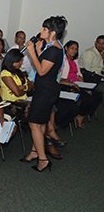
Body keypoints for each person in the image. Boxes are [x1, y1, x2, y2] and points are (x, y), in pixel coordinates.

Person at [22, 16, 67, 172]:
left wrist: (32, 51)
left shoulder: (55, 50)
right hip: (45, 89)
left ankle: (43, 159)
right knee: (40, 122)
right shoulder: (52, 47)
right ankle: (35, 152)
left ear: (52, 33)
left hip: (46, 91)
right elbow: (43, 64)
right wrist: (39, 51)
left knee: (34, 123)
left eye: (44, 29)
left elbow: (41, 71)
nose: (41, 31)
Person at [60, 40, 102, 125]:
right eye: (72, 48)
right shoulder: (62, 60)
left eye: (76, 49)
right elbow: (61, 78)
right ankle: (80, 115)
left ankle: (82, 114)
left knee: (97, 95)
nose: (74, 51)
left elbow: (79, 74)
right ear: (66, 48)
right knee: (87, 98)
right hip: (66, 85)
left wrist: (81, 80)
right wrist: (72, 82)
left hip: (77, 84)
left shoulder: (74, 61)